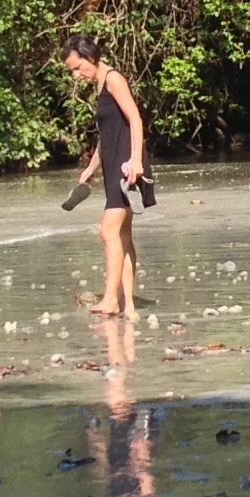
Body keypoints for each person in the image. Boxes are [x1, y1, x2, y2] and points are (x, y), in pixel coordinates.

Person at [62, 33, 147, 318]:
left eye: (77, 67)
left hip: (126, 164)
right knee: (122, 234)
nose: (76, 75)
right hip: (113, 161)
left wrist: (135, 161)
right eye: (72, 71)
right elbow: (108, 133)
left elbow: (135, 119)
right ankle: (127, 304)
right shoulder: (100, 83)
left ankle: (110, 300)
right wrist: (91, 167)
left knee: (108, 230)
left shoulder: (113, 78)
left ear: (90, 57)